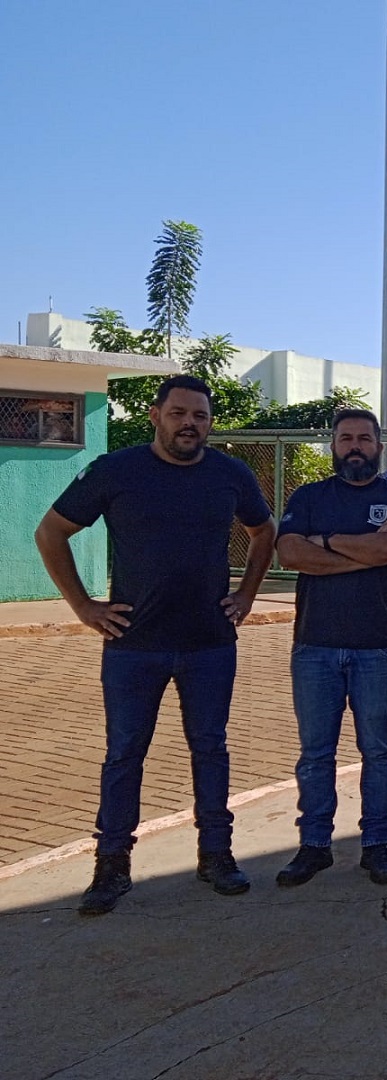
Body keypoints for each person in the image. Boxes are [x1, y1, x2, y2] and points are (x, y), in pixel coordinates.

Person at [34, 374, 276, 914]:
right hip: (133, 646)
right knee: (124, 755)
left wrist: (247, 594)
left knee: (210, 749)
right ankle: (111, 867)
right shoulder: (116, 471)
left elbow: (264, 531)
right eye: (179, 413)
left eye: (200, 416)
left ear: (209, 423)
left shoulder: (230, 474)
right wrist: (83, 606)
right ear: (155, 415)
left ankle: (216, 855)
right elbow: (50, 533)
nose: (189, 424)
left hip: (210, 644)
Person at [272, 409, 387, 887]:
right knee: (316, 754)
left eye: (364, 438)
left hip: (377, 646)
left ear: (379, 446)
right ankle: (314, 845)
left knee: (378, 750)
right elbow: (290, 553)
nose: (355, 446)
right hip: (314, 645)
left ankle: (377, 844)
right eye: (345, 438)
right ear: (333, 445)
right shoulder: (309, 497)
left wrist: (325, 543)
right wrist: (363, 553)